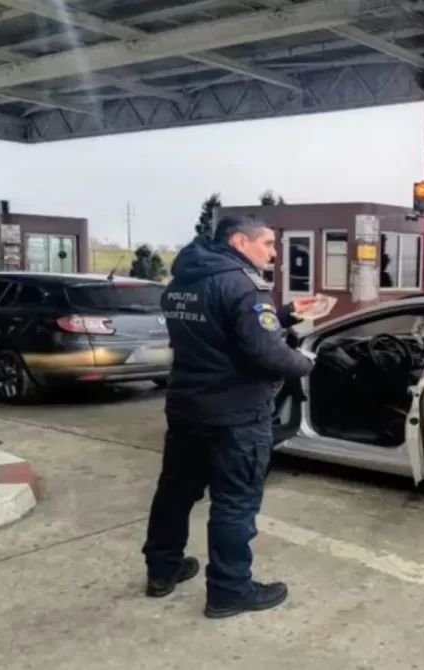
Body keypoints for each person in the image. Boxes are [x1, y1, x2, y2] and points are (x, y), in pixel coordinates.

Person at [142, 214, 316, 620]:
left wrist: (282, 314)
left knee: (174, 494)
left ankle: (162, 570)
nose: (273, 254)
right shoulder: (244, 284)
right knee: (234, 504)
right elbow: (268, 353)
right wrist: (307, 362)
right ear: (239, 241)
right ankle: (229, 590)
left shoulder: (183, 281)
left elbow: (219, 329)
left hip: (186, 407)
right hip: (236, 415)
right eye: (267, 244)